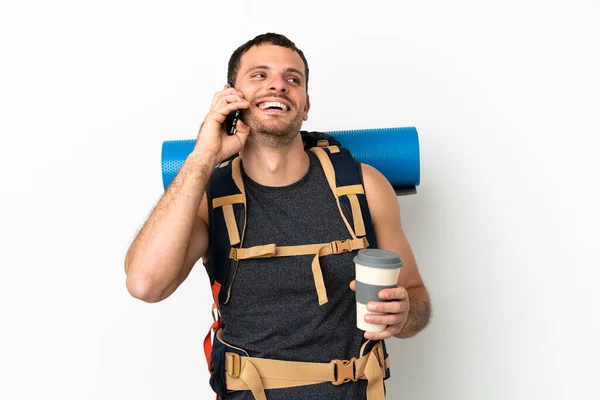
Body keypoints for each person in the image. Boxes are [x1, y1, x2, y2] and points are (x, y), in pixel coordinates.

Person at [124, 32, 431, 400]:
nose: (278, 85)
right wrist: (203, 156)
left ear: (305, 105)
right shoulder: (211, 197)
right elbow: (145, 284)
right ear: (230, 98)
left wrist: (405, 312)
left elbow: (417, 303)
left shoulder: (364, 186)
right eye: (259, 75)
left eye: (293, 79)